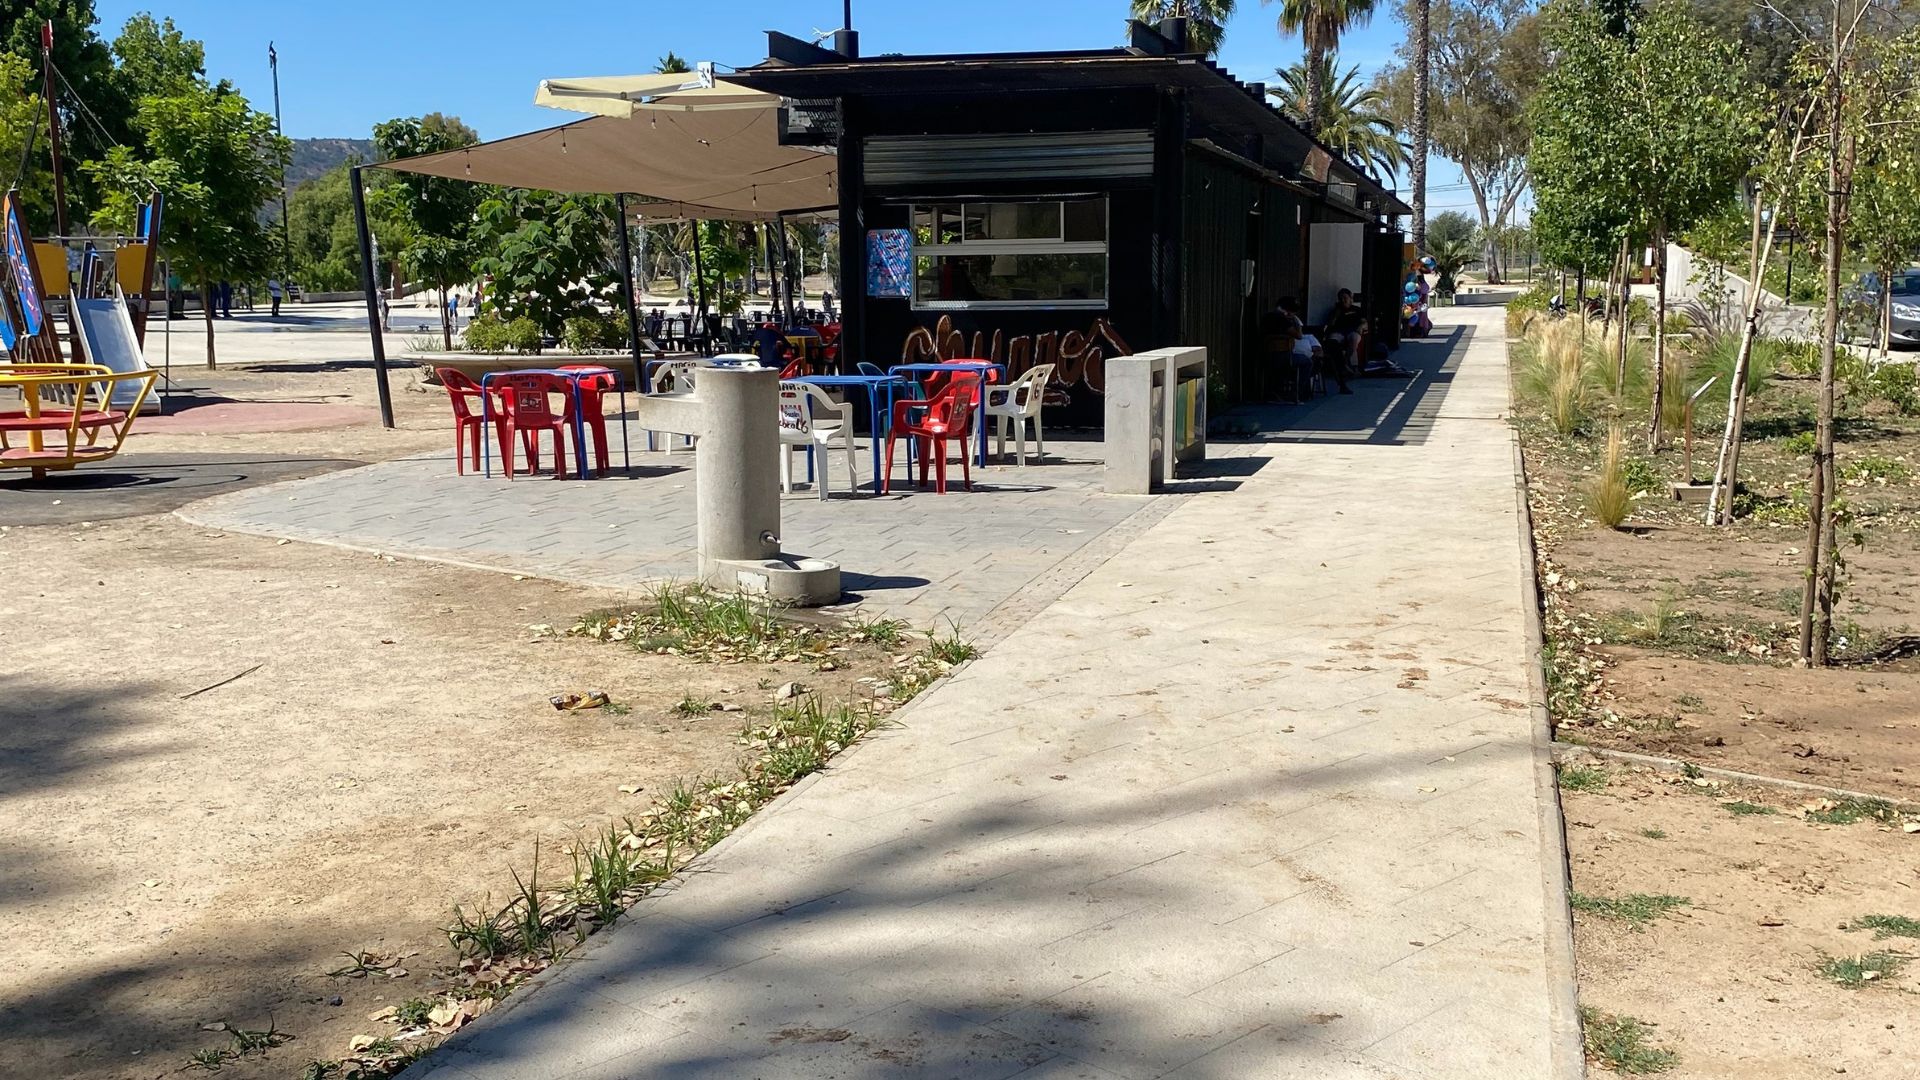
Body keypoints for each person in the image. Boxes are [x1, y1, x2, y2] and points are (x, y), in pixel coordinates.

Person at [1321, 289, 1364, 393]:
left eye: (1345, 298)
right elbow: (1330, 324)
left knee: (1353, 339)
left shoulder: (1356, 310)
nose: (1343, 300)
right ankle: (1343, 365)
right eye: (1341, 298)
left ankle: (1348, 363)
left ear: (1350, 299)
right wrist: (1336, 314)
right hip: (1339, 332)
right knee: (1332, 340)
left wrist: (1361, 327)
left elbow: (1364, 322)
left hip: (1352, 331)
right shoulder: (1336, 311)